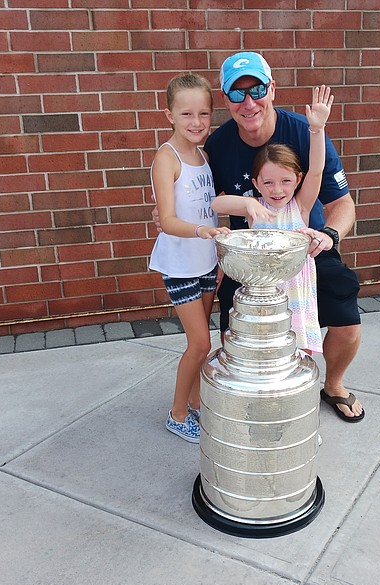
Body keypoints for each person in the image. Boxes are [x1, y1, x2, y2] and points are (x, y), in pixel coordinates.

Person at [205, 52, 365, 423]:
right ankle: (255, 393)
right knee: (237, 334)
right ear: (225, 98)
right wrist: (169, 212)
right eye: (237, 93)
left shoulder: (302, 132)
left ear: (272, 88)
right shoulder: (217, 147)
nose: (249, 102)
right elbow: (205, 203)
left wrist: (328, 235)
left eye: (257, 89)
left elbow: (343, 204)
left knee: (346, 317)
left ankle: (333, 385)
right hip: (252, 261)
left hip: (307, 249)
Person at [211, 84, 334, 355]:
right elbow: (216, 203)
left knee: (298, 352)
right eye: (268, 182)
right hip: (261, 294)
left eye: (285, 181)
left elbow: (317, 170)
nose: (277, 190)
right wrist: (245, 203)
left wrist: (317, 129)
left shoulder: (300, 207)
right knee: (263, 351)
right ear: (256, 183)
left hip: (296, 292)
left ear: (297, 181)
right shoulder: (255, 208)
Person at [149, 73, 230, 443]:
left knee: (205, 342)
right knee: (198, 343)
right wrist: (202, 233)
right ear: (169, 115)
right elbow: (166, 220)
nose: (196, 122)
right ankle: (177, 413)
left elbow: (208, 210)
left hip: (206, 263)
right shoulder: (166, 159)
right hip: (180, 264)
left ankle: (196, 404)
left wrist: (215, 251)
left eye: (203, 114)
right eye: (186, 114)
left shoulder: (205, 155)